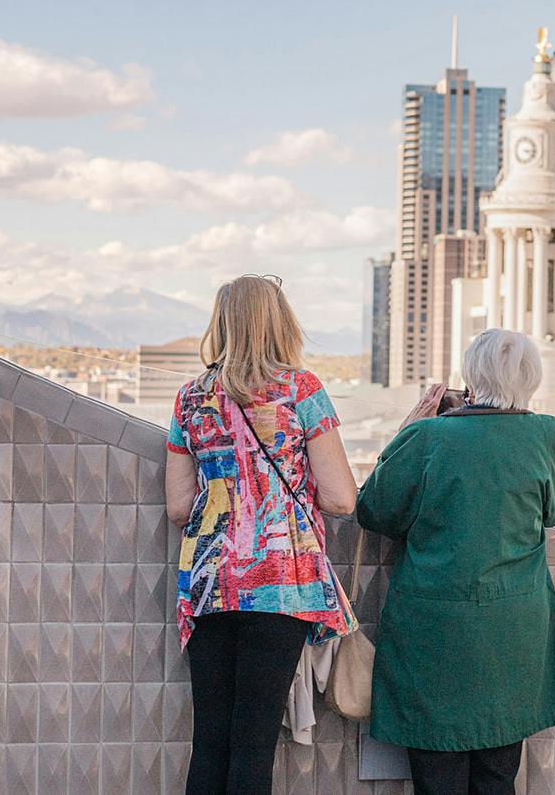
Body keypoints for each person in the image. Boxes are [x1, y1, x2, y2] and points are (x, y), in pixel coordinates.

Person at [356, 329, 555, 795]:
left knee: (437, 779)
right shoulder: (550, 436)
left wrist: (406, 431)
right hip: (513, 631)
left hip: (434, 633)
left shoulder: (427, 436)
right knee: (498, 775)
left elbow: (375, 511)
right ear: (531, 377)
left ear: (471, 377)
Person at [164, 274, 358, 795]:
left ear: (221, 323)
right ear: (280, 322)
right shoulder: (302, 390)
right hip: (279, 584)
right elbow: (342, 498)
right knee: (252, 745)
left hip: (208, 584)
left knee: (210, 740)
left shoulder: (190, 398)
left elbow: (179, 506)